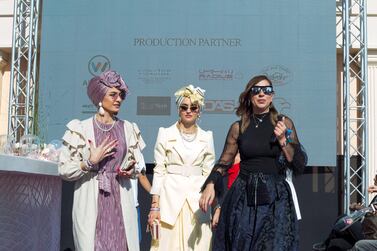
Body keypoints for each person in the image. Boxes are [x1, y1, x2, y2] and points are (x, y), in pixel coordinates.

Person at [200, 75, 307, 251]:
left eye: (267, 90)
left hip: (275, 196)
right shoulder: (238, 126)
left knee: (272, 245)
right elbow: (225, 161)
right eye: (256, 91)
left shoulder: (283, 122)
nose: (262, 94)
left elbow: (298, 164)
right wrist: (211, 183)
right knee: (241, 242)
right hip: (244, 195)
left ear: (272, 96)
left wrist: (283, 141)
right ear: (250, 96)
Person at [59, 70, 145, 251]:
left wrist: (131, 170)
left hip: (120, 200)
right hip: (91, 200)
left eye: (121, 95)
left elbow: (138, 165)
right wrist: (90, 162)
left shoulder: (128, 128)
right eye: (113, 94)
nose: (119, 99)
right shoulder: (80, 129)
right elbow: (64, 170)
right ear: (99, 97)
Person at [148, 84, 216, 251]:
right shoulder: (165, 133)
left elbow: (210, 175)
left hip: (197, 203)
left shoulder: (207, 137)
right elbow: (159, 170)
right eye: (184, 107)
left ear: (199, 111)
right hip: (169, 201)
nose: (189, 110)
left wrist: (215, 205)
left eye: (193, 107)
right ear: (178, 109)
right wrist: (155, 206)